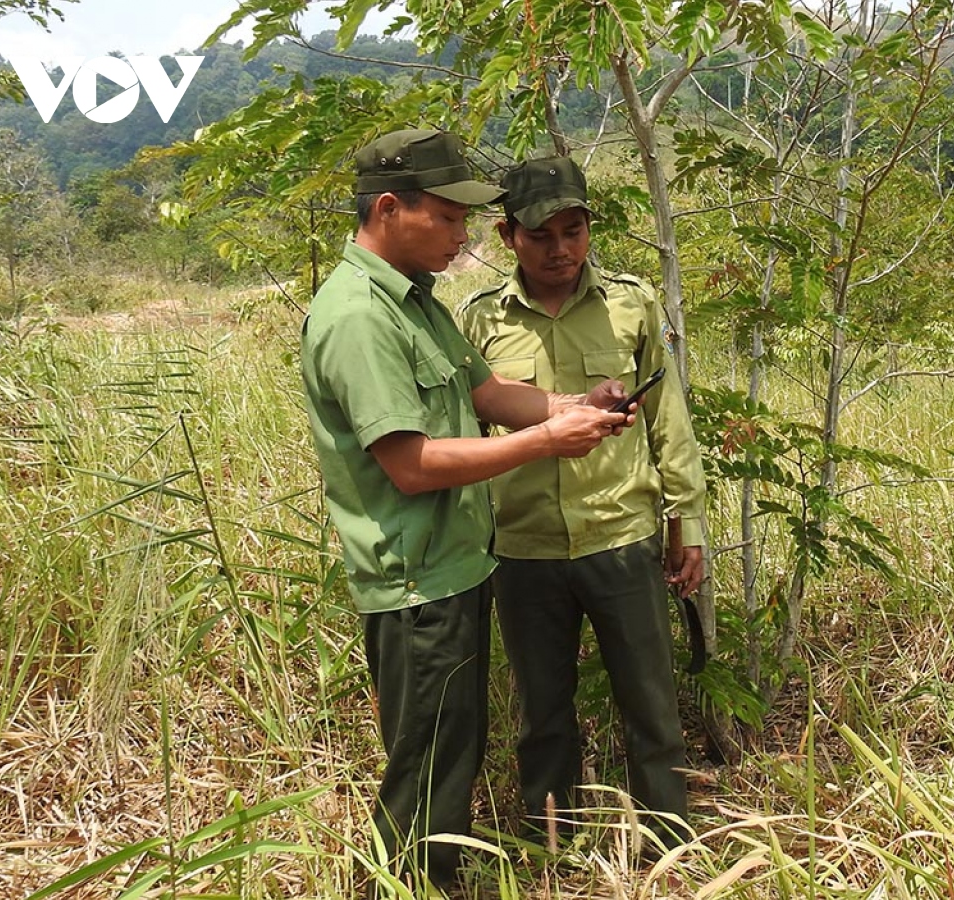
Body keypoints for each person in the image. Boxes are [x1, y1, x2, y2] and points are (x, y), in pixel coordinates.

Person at [299, 130, 632, 897]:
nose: (461, 237)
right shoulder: (359, 317)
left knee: (449, 752)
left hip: (452, 568)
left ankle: (425, 879)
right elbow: (410, 465)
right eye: (448, 219)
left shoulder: (415, 302)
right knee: (426, 764)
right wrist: (549, 440)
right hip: (415, 580)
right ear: (390, 208)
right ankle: (407, 886)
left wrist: (578, 405)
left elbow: (485, 396)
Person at [457, 156, 708, 850]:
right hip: (523, 547)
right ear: (509, 237)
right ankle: (549, 847)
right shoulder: (480, 321)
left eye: (575, 230)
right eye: (542, 235)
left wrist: (685, 525)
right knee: (542, 712)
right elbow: (465, 432)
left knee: (651, 706)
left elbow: (668, 418)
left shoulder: (630, 303)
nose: (561, 249)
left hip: (620, 536)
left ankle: (669, 844)